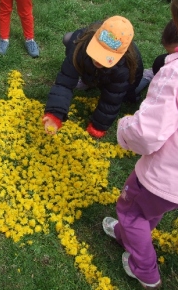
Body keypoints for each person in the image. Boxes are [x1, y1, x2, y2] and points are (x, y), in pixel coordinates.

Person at [102, 16, 178, 290]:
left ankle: (144, 271)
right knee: (149, 210)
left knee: (132, 211)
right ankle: (126, 235)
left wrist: (124, 128)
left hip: (163, 173)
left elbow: (148, 132)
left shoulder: (174, 74)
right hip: (174, 185)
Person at [43, 15, 150, 138]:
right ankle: (90, 80)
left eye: (106, 56)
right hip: (100, 74)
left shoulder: (124, 68)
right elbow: (64, 82)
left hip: (129, 81)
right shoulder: (82, 42)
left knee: (128, 94)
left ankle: (147, 77)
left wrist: (98, 126)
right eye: (98, 51)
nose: (99, 60)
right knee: (70, 40)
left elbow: (111, 101)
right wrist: (55, 114)